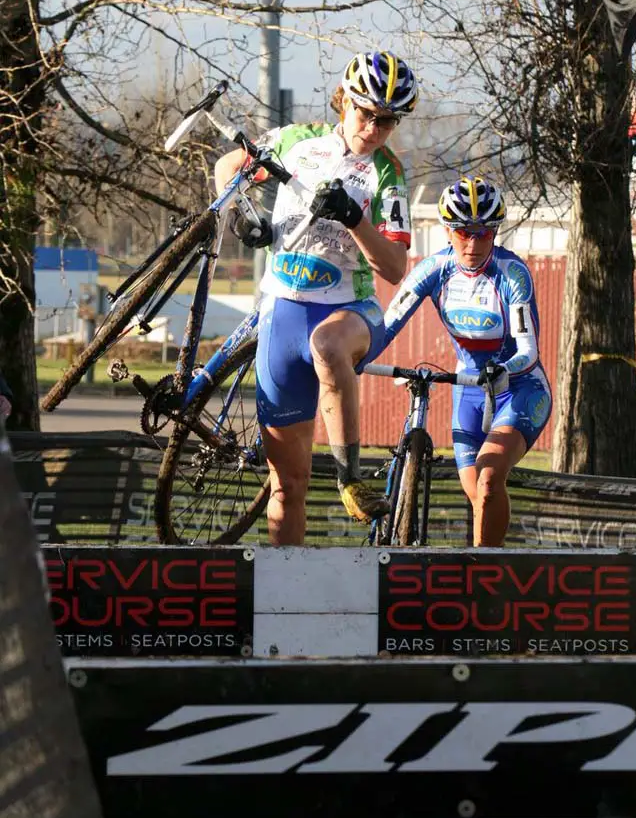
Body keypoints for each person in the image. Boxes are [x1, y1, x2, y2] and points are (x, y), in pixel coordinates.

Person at [214, 50, 419, 544]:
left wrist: (355, 218)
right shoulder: (294, 142)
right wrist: (241, 216)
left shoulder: (387, 173)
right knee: (287, 487)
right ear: (343, 100)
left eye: (387, 121)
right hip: (283, 312)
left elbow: (393, 269)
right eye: (366, 113)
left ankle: (350, 476)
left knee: (328, 347)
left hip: (351, 311)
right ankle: (284, 603)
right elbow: (228, 167)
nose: (373, 127)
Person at [383, 176, 552, 547]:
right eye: (463, 233)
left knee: (490, 479)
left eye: (483, 234)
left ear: (494, 232)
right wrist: (354, 359)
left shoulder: (512, 273)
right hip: (469, 390)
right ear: (447, 230)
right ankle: (491, 567)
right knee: (478, 493)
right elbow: (387, 325)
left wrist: (505, 369)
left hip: (519, 388)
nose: (473, 244)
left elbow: (529, 350)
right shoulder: (433, 269)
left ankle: (484, 576)